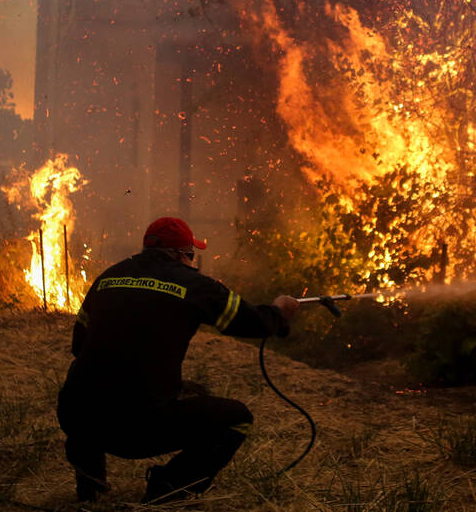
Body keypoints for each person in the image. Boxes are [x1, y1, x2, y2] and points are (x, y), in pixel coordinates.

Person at [57, 216, 300, 504]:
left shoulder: (108, 278)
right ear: (182, 254)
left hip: (76, 417)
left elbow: (79, 346)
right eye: (191, 255)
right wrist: (279, 311)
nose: (191, 261)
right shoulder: (194, 285)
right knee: (237, 419)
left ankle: (89, 480)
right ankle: (168, 487)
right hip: (135, 430)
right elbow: (254, 322)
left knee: (87, 383)